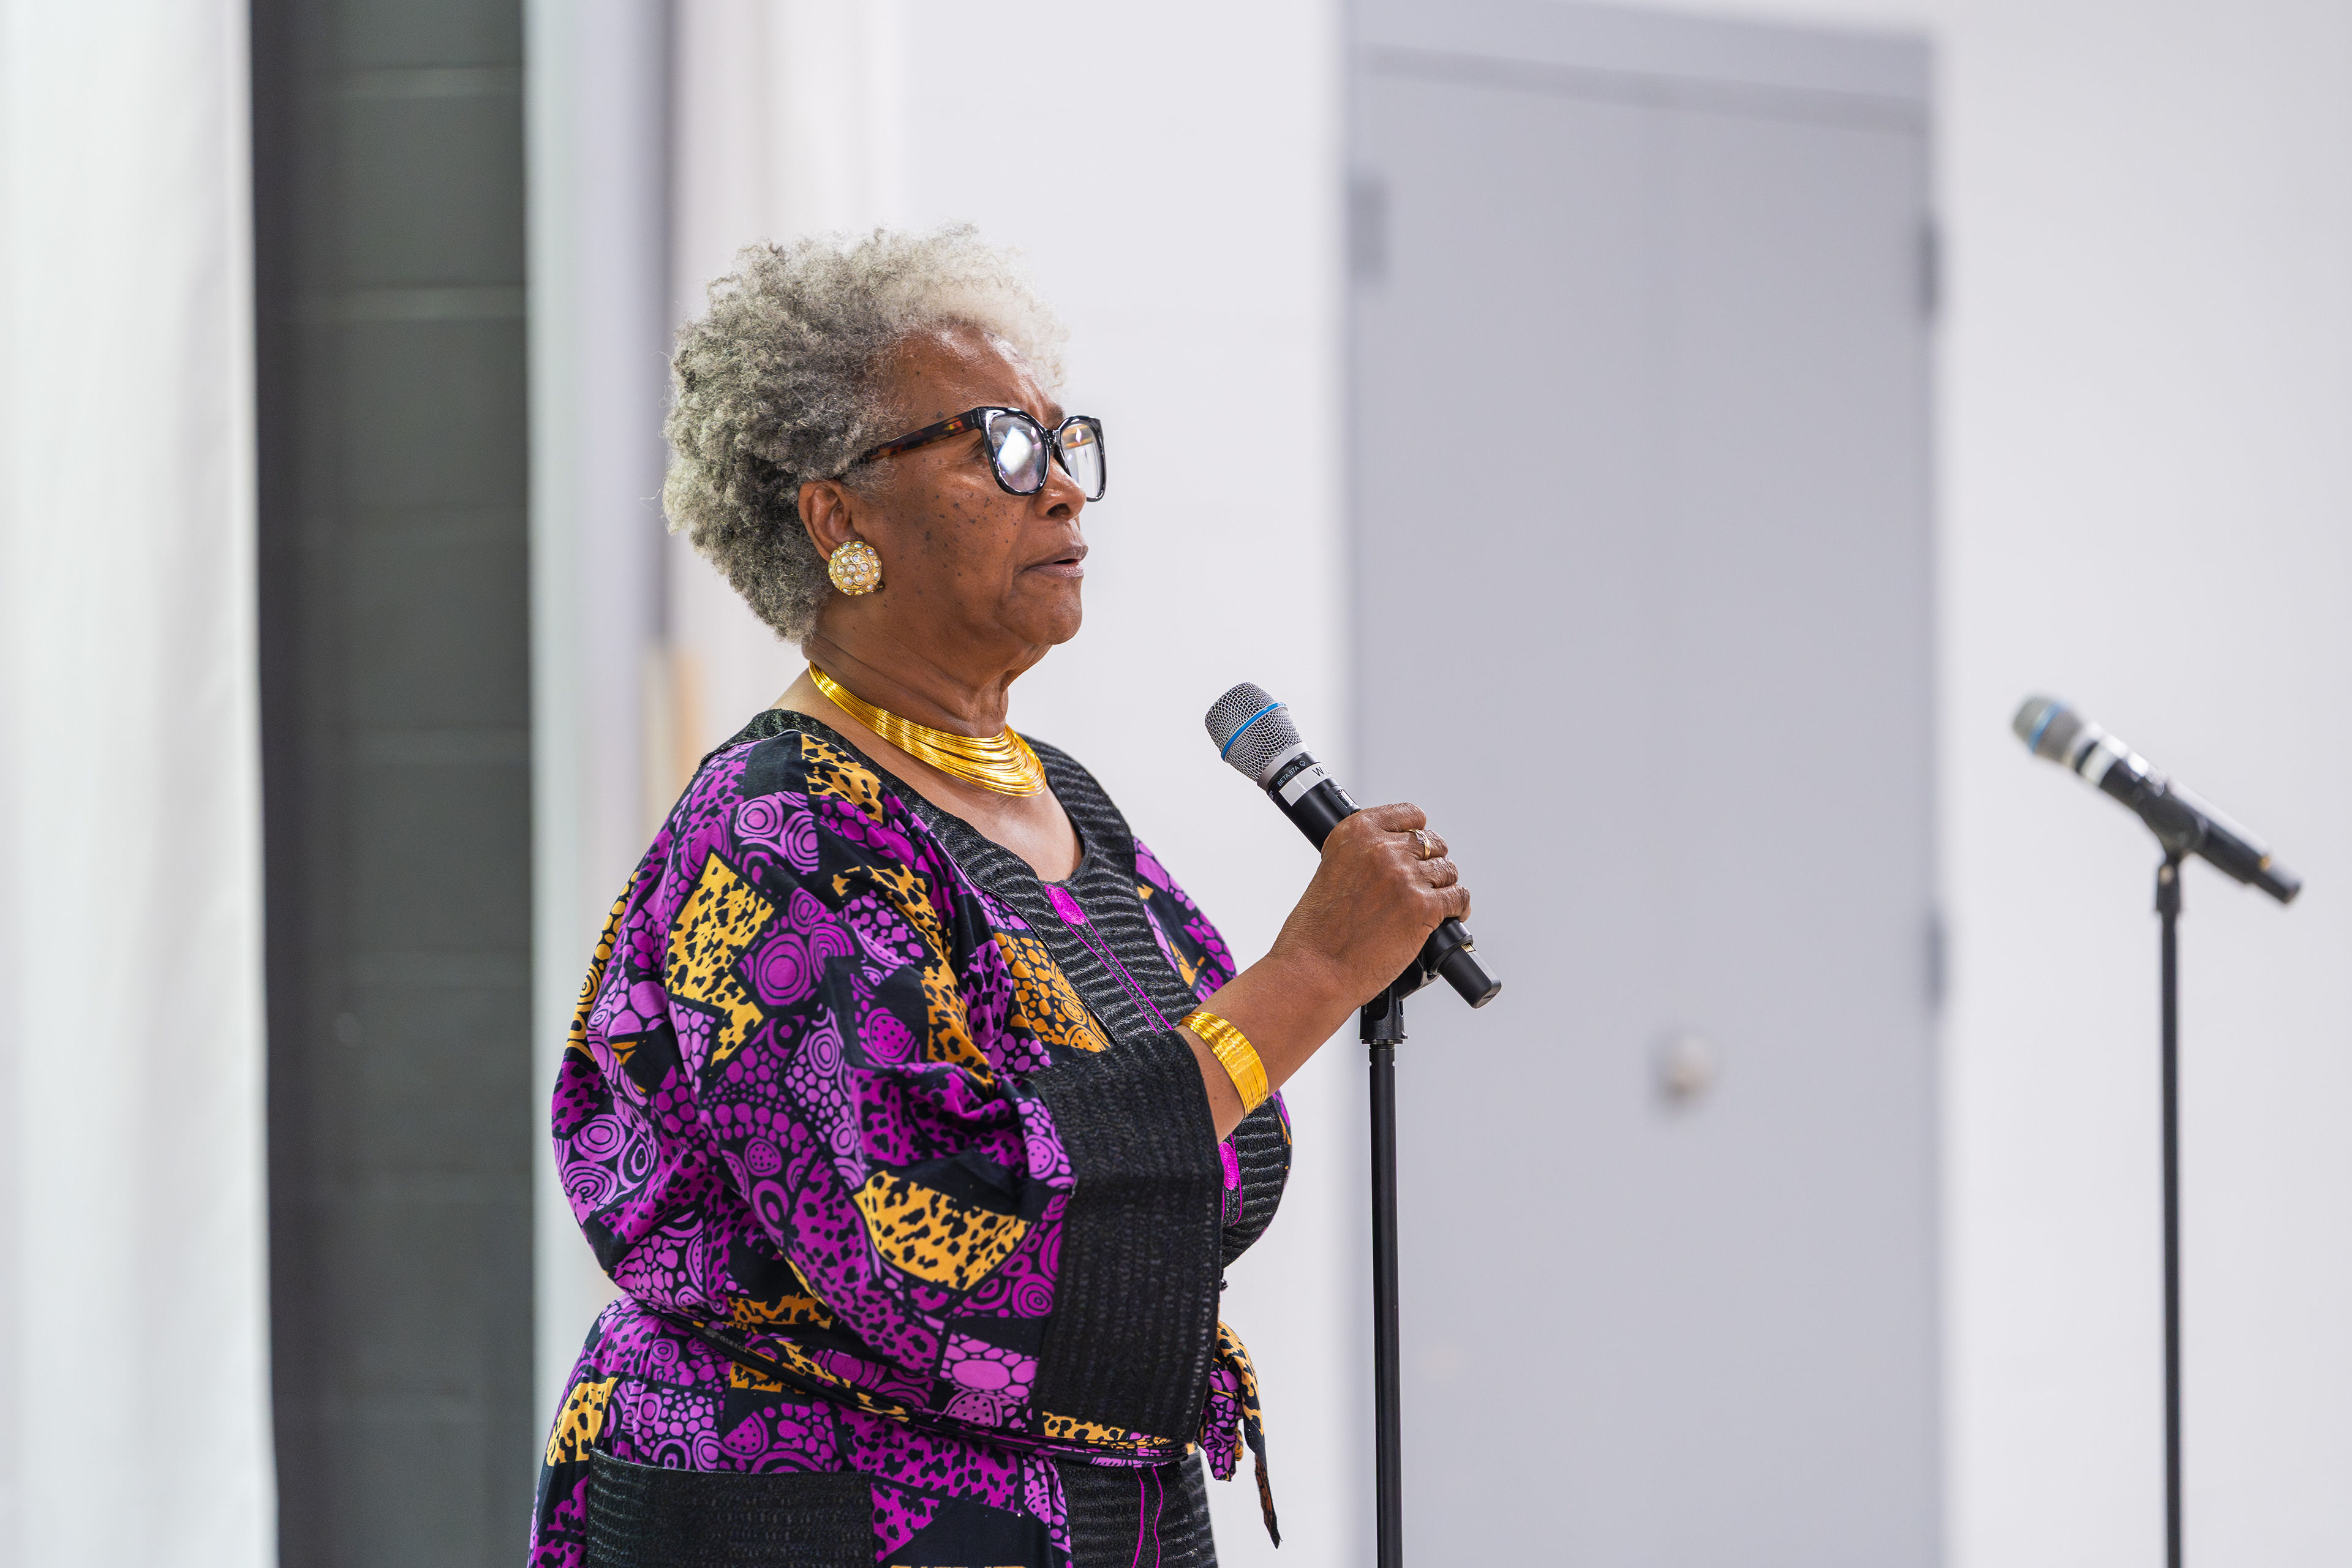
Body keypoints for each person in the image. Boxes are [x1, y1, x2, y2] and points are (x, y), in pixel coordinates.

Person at [528, 226, 1471, 1568]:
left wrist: (1320, 985)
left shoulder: (1064, 799)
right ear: (840, 520)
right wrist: (1313, 973)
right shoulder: (782, 825)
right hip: (812, 1515)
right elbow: (933, 1227)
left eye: (1064, 442)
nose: (1065, 491)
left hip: (1091, 1508)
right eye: (1002, 448)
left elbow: (1183, 1135)